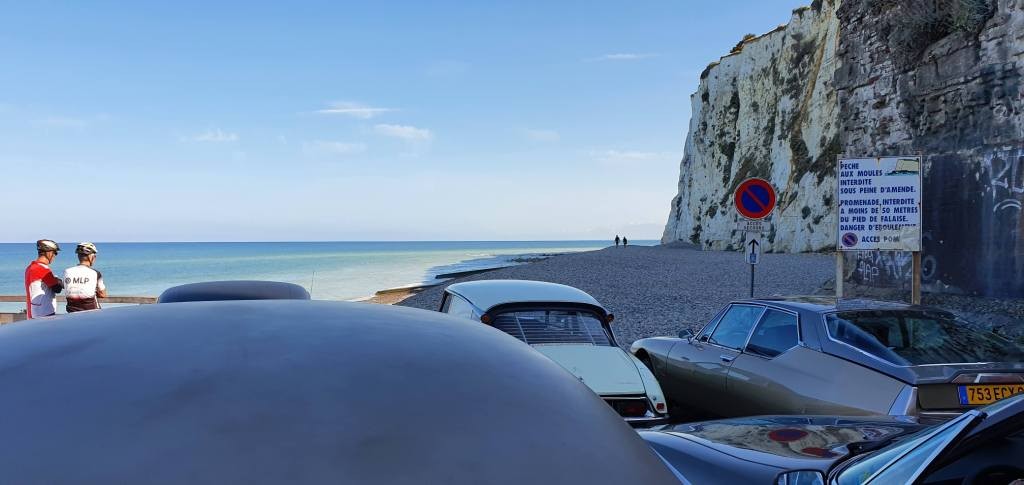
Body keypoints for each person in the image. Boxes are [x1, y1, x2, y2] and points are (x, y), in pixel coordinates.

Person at [24, 239, 64, 319]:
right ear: (49, 253)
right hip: (44, 313)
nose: (55, 256)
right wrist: (59, 281)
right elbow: (57, 288)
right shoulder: (42, 269)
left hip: (32, 312)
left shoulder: (29, 267)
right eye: (55, 253)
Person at [63, 242, 107, 313]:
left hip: (71, 312)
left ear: (78, 257)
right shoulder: (95, 273)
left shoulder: (67, 272)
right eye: (94, 256)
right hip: (92, 312)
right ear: (91, 257)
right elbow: (103, 294)